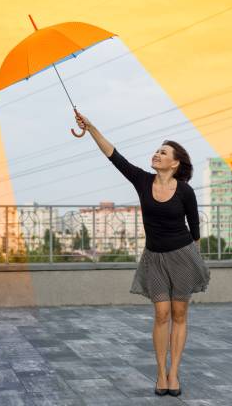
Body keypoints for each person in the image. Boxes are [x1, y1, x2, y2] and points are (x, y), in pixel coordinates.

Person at [75, 111, 210, 397]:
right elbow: (114, 156)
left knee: (179, 313)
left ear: (175, 163)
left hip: (183, 255)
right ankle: (161, 373)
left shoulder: (185, 191)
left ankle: (174, 374)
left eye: (163, 152)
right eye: (157, 151)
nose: (157, 154)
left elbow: (195, 229)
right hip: (155, 258)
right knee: (162, 314)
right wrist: (92, 127)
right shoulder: (141, 180)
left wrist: (196, 260)